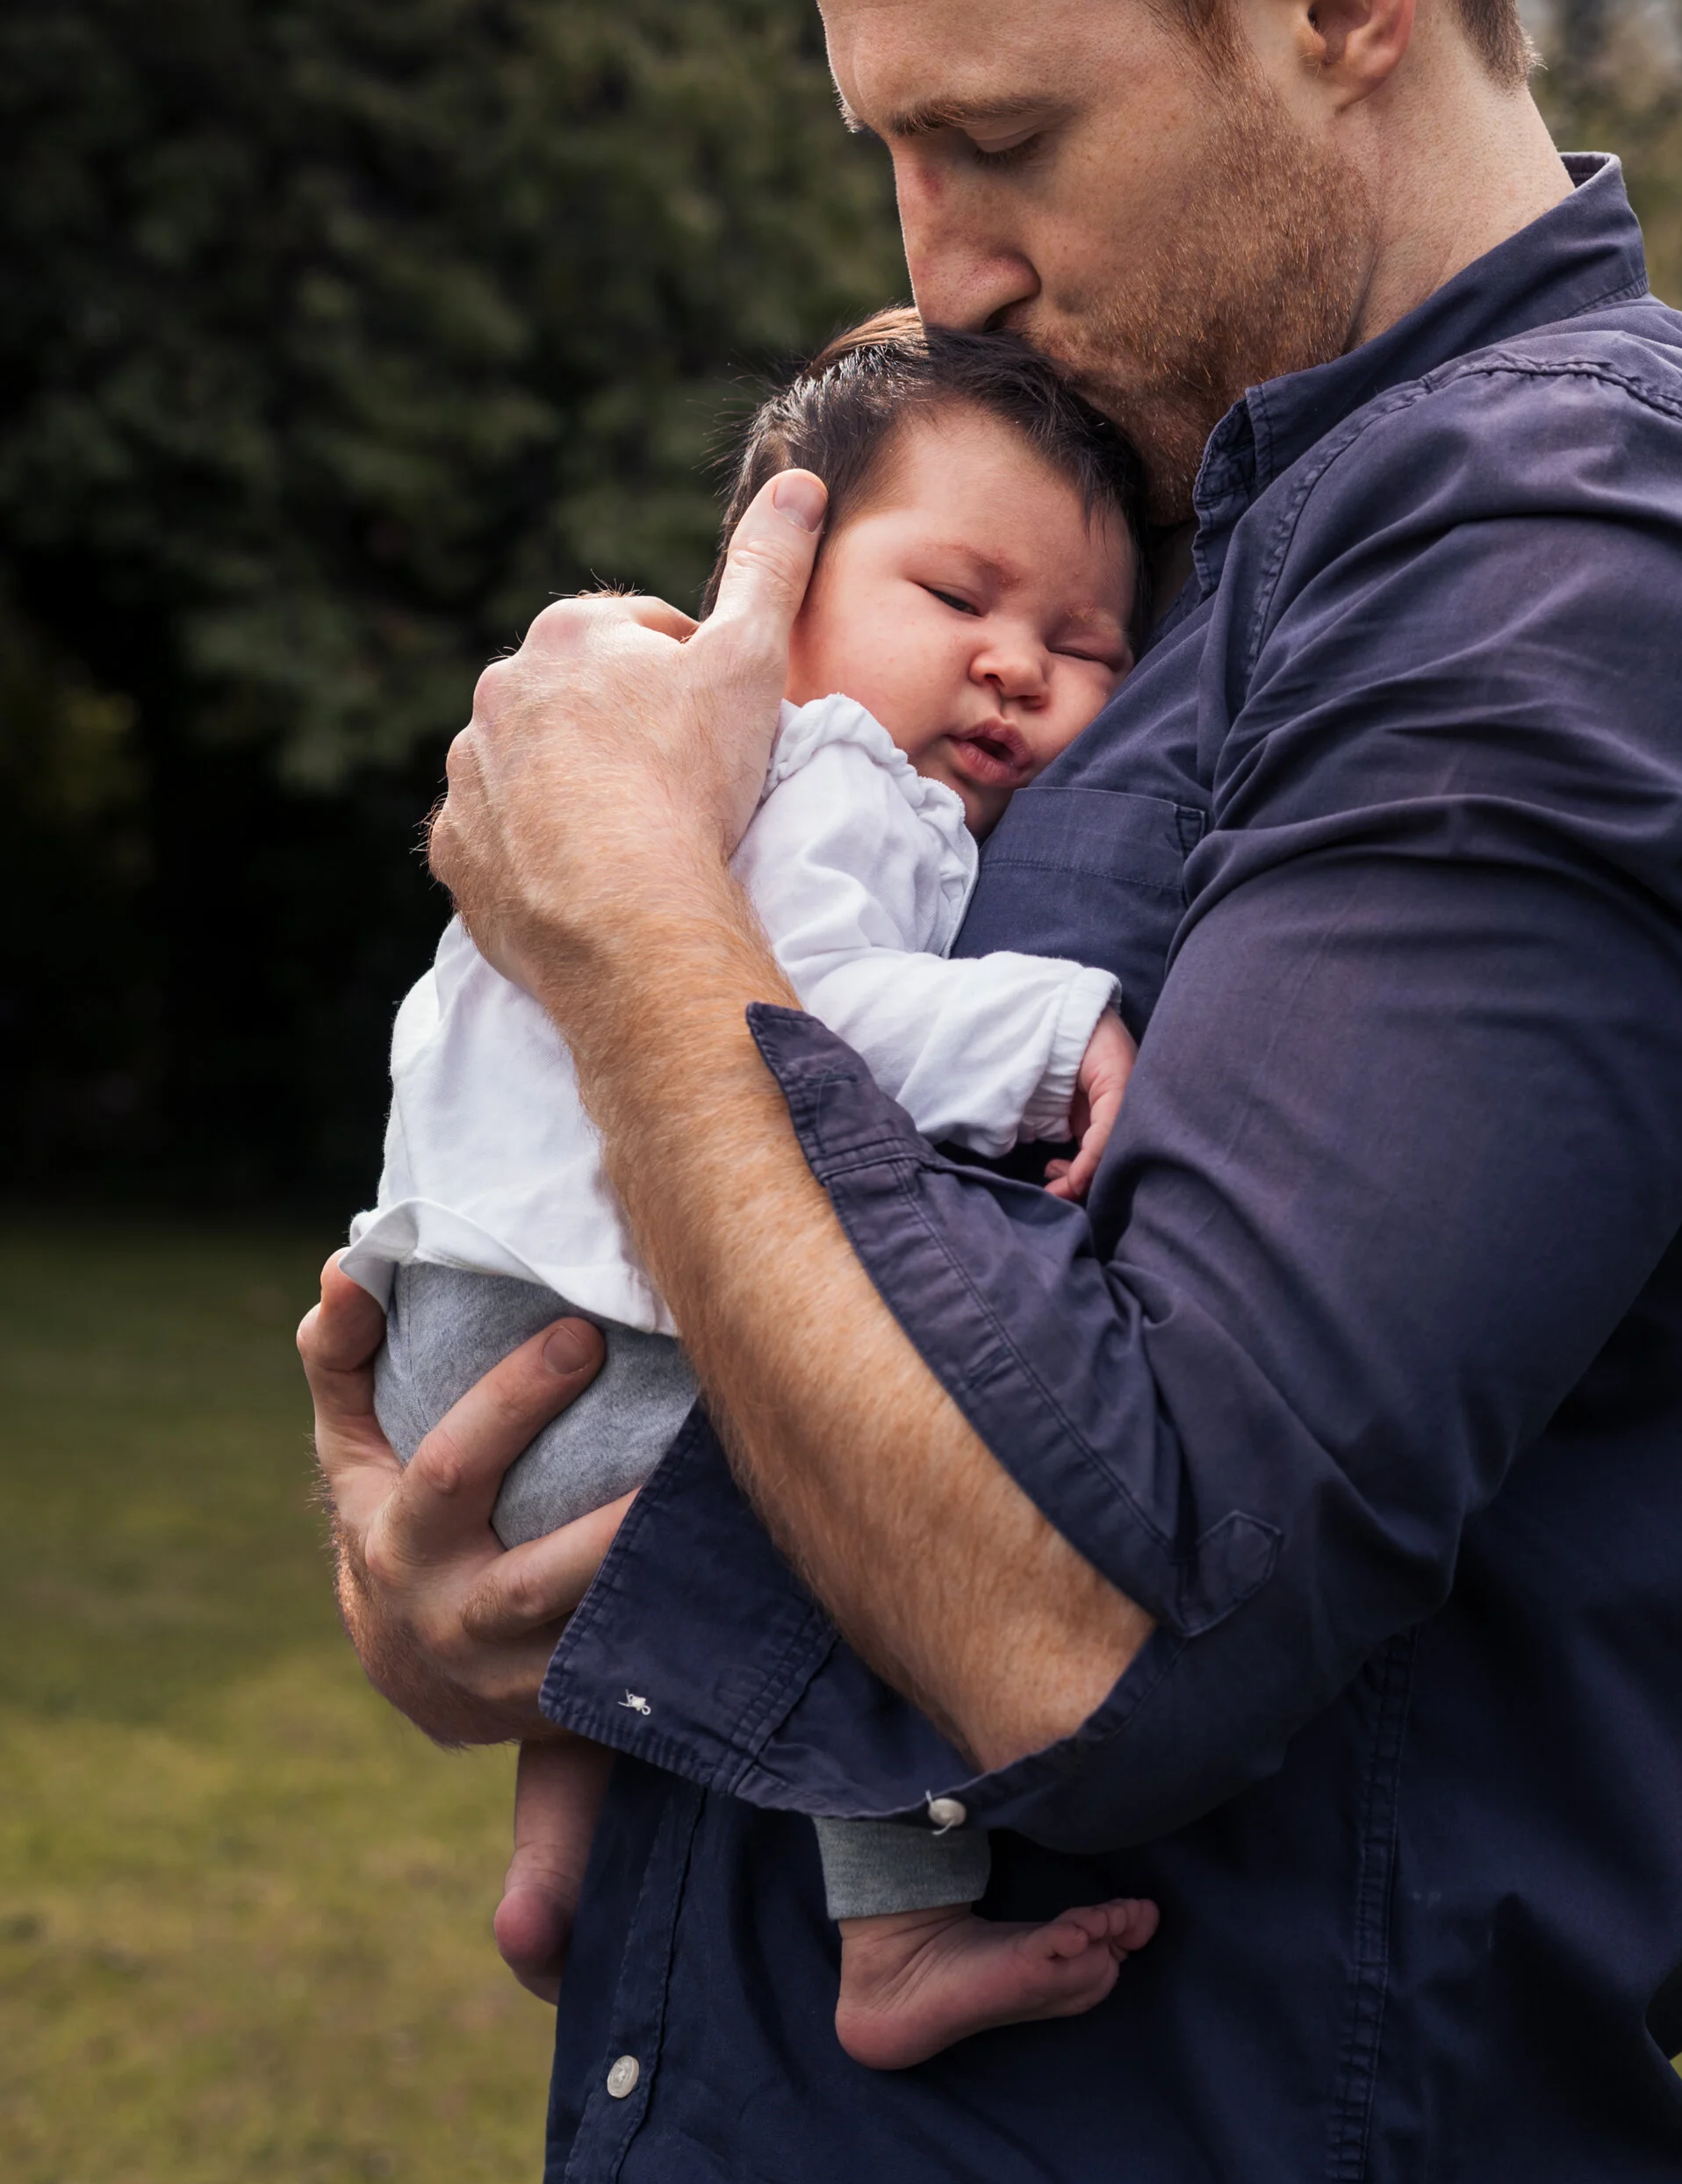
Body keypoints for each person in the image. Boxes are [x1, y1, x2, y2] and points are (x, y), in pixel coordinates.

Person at [301, 0, 1682, 2184]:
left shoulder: (1575, 582)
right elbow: (890, 1287)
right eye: (888, 150)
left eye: (1000, 135)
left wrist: (635, 928)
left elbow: (1098, 1608)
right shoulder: (1172, 515)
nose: (931, 272)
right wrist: (507, 1537)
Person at [341, 314, 1159, 2067]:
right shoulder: (833, 769)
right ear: (779, 582)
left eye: (1083, 643)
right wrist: (1061, 1025)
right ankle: (901, 1925)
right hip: (591, 1331)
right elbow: (791, 1017)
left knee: (644, 1567)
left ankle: (555, 1859)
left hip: (450, 1335)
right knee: (850, 1518)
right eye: (958, 595)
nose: (1016, 663)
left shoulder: (627, 752)